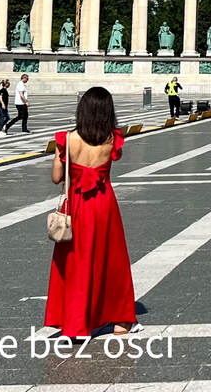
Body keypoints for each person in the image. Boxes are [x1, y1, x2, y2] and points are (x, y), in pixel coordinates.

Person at [44, 87, 138, 340]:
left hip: (76, 205)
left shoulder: (67, 139)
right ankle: (120, 320)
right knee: (111, 259)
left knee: (75, 261)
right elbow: (112, 161)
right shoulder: (112, 139)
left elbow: (56, 179)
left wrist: (58, 155)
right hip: (104, 204)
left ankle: (74, 322)